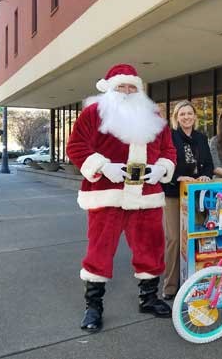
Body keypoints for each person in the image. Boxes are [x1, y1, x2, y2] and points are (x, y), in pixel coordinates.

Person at [66, 64, 176, 333]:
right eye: (121, 87)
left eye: (131, 87)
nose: (127, 91)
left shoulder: (153, 115)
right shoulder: (94, 113)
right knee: (99, 249)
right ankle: (94, 306)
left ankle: (148, 298)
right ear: (110, 88)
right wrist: (104, 167)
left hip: (146, 196)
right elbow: (76, 146)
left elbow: (168, 150)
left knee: (151, 246)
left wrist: (160, 169)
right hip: (107, 194)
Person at [161, 100, 214, 300]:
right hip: (174, 193)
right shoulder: (170, 136)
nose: (186, 117)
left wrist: (206, 176)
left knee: (199, 236)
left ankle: (195, 280)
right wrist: (177, 177)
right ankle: (170, 286)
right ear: (176, 117)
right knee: (175, 238)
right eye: (182, 114)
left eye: (189, 113)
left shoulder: (201, 138)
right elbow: (162, 163)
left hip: (197, 194)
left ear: (194, 116)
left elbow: (209, 164)